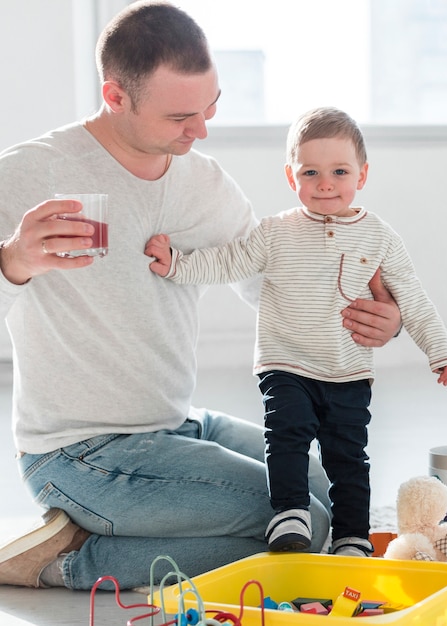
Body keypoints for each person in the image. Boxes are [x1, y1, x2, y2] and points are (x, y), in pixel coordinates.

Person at [0, 2, 401, 591]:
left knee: (331, 498)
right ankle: (65, 563)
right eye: (180, 116)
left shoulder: (202, 181)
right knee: (300, 524)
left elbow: (266, 282)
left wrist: (365, 316)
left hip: (175, 424)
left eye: (211, 106)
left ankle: (112, 529)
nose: (201, 130)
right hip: (76, 451)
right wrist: (11, 262)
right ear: (116, 97)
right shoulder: (32, 172)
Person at [145, 106, 447, 557]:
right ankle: (290, 512)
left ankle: (353, 535)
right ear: (292, 178)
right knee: (286, 435)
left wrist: (439, 350)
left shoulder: (379, 237)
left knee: (348, 457)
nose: (325, 183)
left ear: (362, 175)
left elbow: (410, 295)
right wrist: (177, 263)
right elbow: (228, 261)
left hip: (348, 372)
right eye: (310, 172)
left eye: (339, 171)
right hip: (285, 362)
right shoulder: (276, 232)